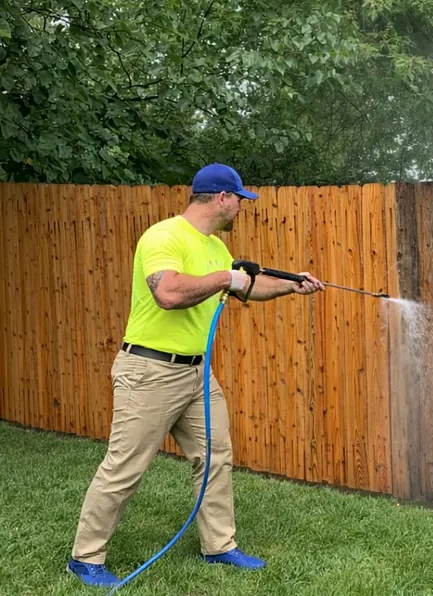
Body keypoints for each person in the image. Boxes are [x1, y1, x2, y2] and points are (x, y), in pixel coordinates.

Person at [67, 163, 324, 588]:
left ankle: (219, 545)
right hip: (150, 371)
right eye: (240, 199)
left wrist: (290, 285)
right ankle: (85, 558)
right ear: (222, 197)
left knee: (215, 456)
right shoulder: (164, 236)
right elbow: (167, 293)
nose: (241, 207)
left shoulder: (215, 247)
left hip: (196, 374)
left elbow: (245, 286)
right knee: (125, 466)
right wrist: (225, 276)